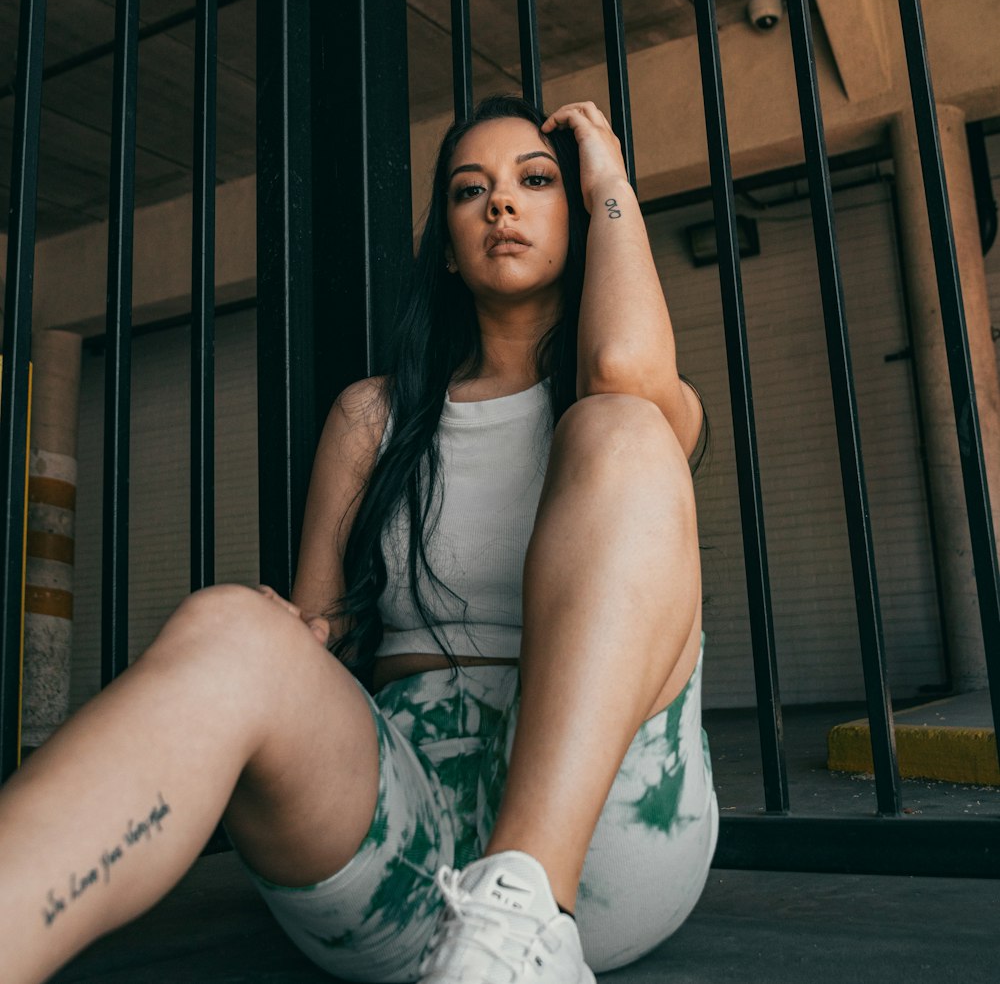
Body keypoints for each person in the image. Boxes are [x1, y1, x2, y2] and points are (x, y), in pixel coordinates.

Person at [1, 95, 717, 984]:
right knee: (227, 624)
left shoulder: (629, 401)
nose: (501, 204)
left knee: (624, 431)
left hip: (605, 846)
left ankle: (526, 914)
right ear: (447, 250)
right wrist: (279, 642)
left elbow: (621, 373)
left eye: (536, 181)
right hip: (397, 847)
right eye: (470, 191)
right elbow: (322, 620)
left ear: (579, 212)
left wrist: (606, 171)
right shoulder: (371, 417)